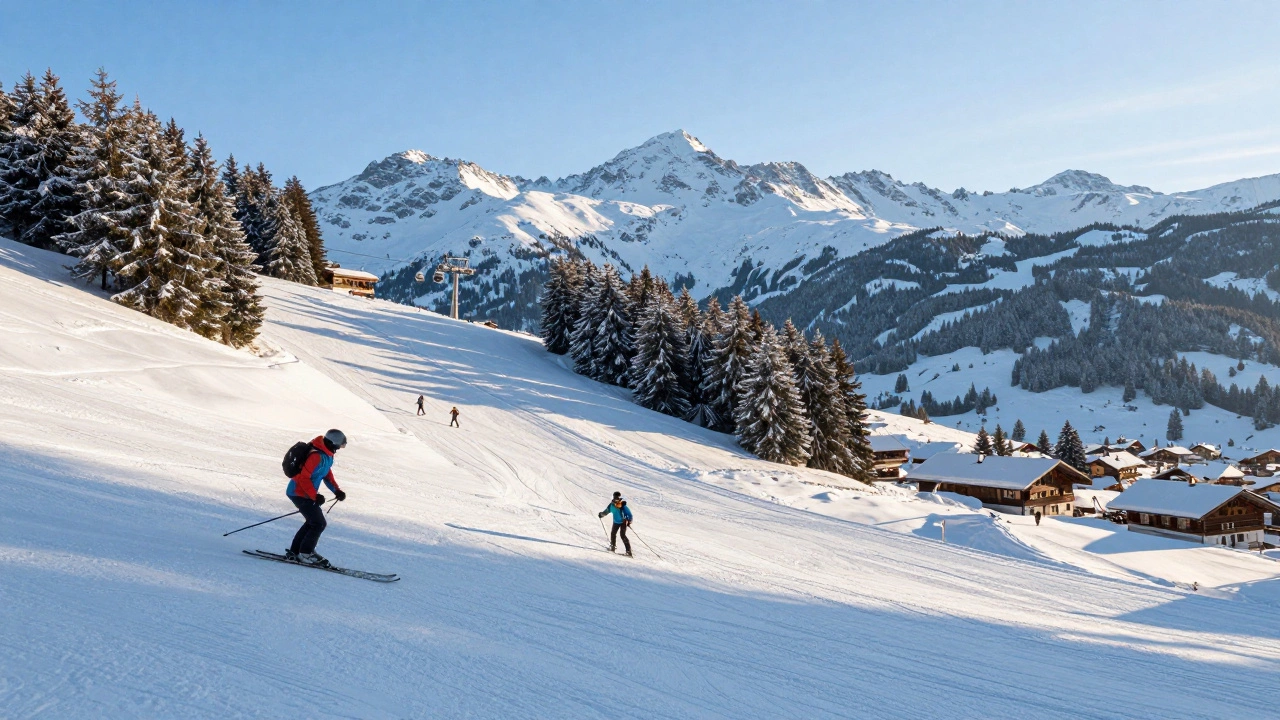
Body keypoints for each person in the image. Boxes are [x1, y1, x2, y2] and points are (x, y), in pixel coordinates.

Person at [285, 429, 348, 566]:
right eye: (338, 446)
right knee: (318, 523)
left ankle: (295, 552)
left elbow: (326, 474)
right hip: (298, 492)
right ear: (332, 443)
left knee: (312, 522)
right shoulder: (316, 456)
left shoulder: (327, 455)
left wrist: (337, 491)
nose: (338, 449)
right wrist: (315, 496)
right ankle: (306, 554)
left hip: (307, 493)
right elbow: (304, 478)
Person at [598, 491, 633, 556]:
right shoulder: (616, 505)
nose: (616, 499)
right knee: (617, 534)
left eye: (617, 497)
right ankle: (617, 548)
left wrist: (601, 515)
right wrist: (601, 514)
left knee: (619, 534)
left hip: (620, 522)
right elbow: (606, 512)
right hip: (619, 522)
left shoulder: (619, 505)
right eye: (616, 497)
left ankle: (624, 550)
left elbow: (629, 514)